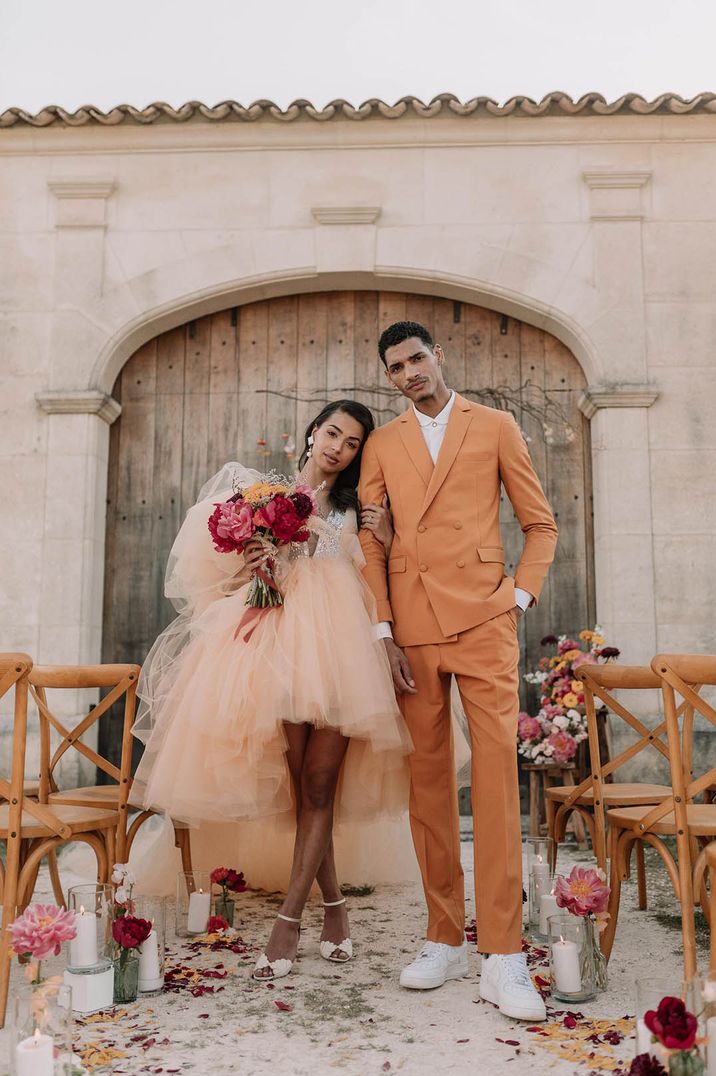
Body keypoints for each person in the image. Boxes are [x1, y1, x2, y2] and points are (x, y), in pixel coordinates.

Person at [132, 399, 412, 981]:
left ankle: (289, 921)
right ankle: (333, 907)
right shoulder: (260, 492)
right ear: (314, 433)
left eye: (353, 442)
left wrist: (382, 536)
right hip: (273, 643)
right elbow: (217, 571)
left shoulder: (355, 508)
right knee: (300, 787)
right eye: (333, 432)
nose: (338, 446)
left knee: (319, 782)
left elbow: (378, 571)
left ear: (360, 454)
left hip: (340, 648)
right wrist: (257, 556)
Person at [358, 322, 558, 1021]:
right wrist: (382, 626)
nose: (409, 373)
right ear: (389, 378)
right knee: (429, 783)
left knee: (498, 779)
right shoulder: (382, 444)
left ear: (438, 357)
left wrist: (519, 597)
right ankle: (443, 935)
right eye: (396, 367)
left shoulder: (497, 425)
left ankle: (503, 954)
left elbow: (541, 523)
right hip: (410, 629)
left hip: (483, 621)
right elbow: (370, 540)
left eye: (417, 359)